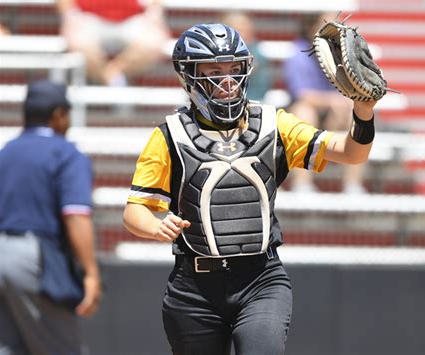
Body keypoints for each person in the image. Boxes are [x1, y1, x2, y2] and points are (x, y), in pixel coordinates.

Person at [123, 23, 377, 355]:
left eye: (234, 68)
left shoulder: (274, 123)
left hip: (261, 279)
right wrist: (155, 225)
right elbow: (134, 211)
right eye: (214, 70)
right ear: (188, 76)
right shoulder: (170, 136)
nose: (227, 80)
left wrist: (364, 110)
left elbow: (351, 153)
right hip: (194, 288)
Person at [0, 79, 101, 354]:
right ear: (58, 114)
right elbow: (76, 215)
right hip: (31, 258)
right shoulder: (65, 153)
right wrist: (90, 273)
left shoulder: (5, 152)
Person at [283, 13, 367, 194]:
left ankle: (353, 184)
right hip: (308, 112)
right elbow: (302, 95)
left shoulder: (346, 55)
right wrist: (332, 101)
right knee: (303, 114)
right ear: (311, 29)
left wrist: (344, 103)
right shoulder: (299, 54)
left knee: (357, 114)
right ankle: (302, 183)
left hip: (337, 114)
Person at [57, 0, 170, 86]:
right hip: (88, 17)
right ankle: (116, 82)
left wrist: (154, 13)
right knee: (78, 43)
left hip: (133, 17)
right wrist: (70, 14)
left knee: (153, 42)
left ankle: (112, 77)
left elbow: (155, 8)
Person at [221, 11, 273, 102]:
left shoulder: (257, 51)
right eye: (238, 29)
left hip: (256, 99)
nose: (243, 32)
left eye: (245, 28)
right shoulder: (220, 53)